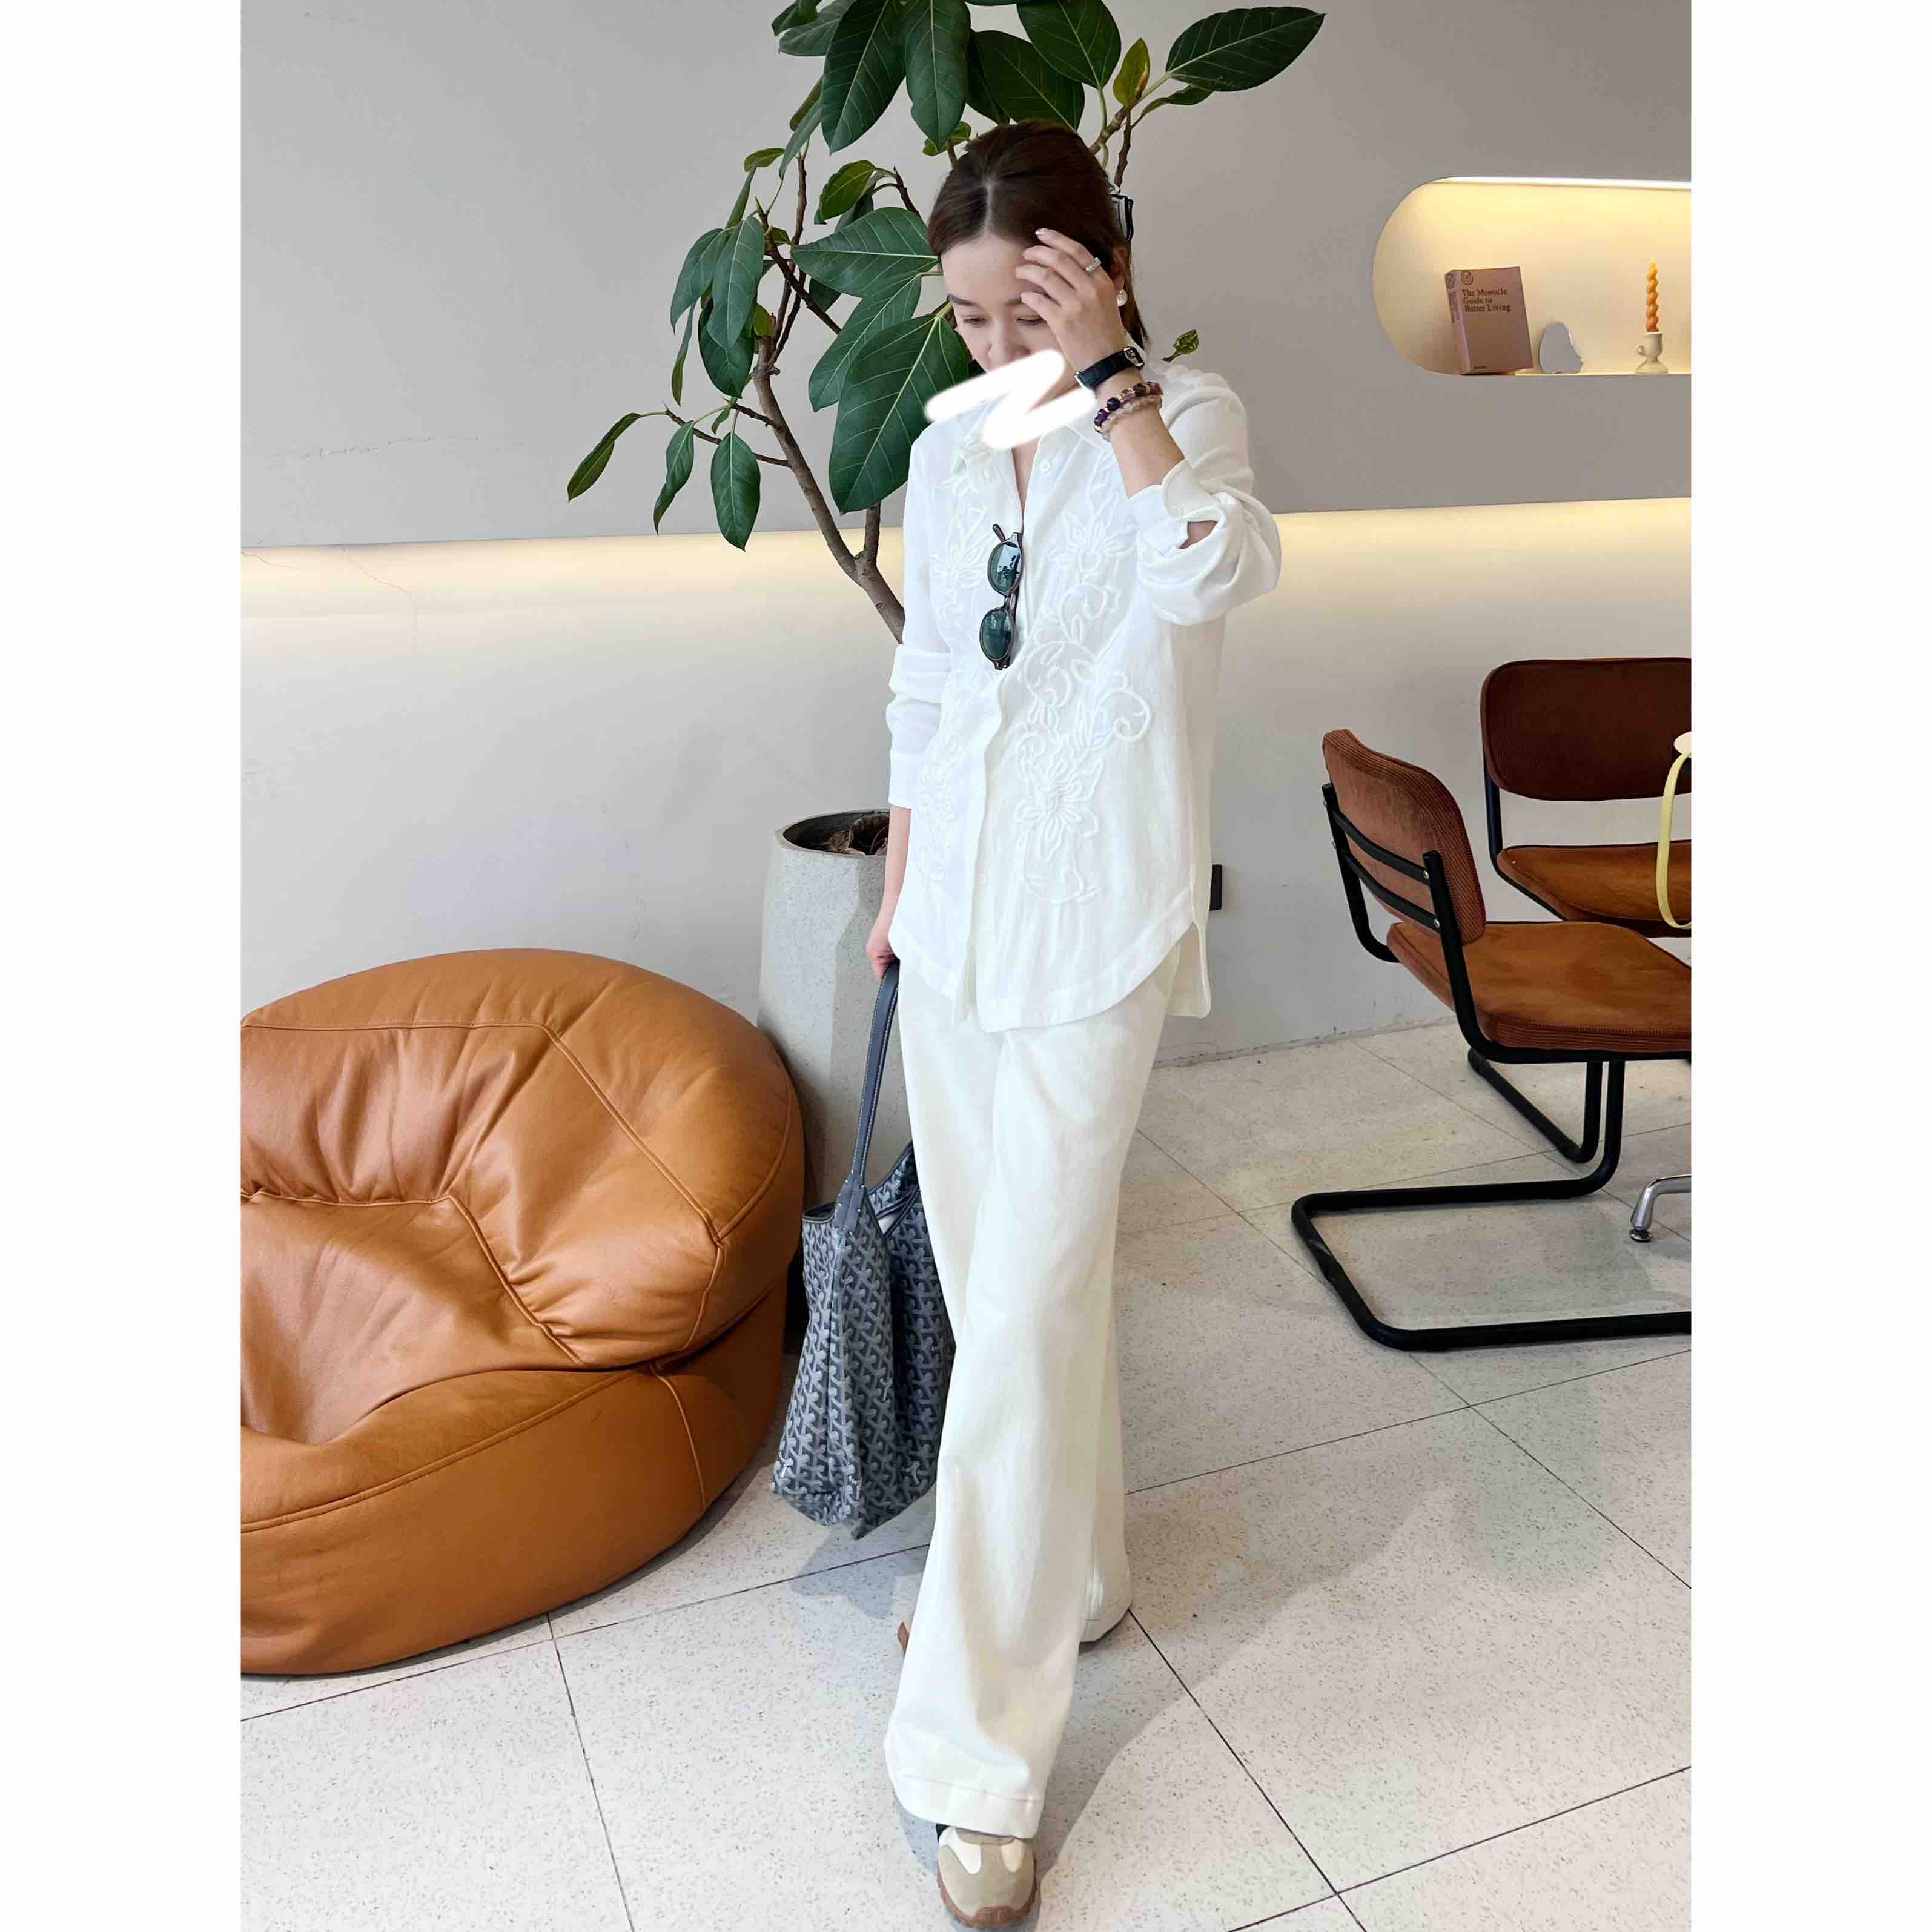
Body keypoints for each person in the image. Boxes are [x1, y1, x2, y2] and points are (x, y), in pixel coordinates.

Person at [868, 119, 1282, 1927]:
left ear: (1095, 276)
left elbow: (1213, 575)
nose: (989, 348)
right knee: (1007, 1295)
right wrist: (897, 883)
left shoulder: (1188, 419)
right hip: (957, 917)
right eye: (967, 317)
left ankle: (975, 1761)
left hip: (1098, 919)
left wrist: (1112, 378)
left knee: (1032, 1300)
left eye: (1019, 311)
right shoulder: (951, 446)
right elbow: (927, 676)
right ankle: (1073, 1570)